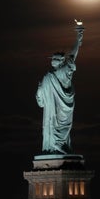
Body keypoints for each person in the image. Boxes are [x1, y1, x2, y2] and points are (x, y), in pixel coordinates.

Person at [36, 22, 84, 154]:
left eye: (55, 59)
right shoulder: (48, 78)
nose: (53, 60)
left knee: (61, 127)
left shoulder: (61, 72)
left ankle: (56, 146)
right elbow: (41, 102)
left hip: (61, 110)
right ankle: (55, 147)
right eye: (53, 59)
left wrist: (78, 39)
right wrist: (40, 91)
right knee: (61, 127)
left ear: (60, 61)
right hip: (60, 110)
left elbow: (73, 55)